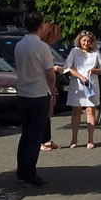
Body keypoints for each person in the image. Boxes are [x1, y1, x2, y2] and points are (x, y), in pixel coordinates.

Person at [14, 12, 57, 188]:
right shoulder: (42, 47)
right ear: (41, 26)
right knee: (36, 137)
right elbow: (50, 74)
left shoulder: (19, 45)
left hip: (23, 94)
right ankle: (29, 174)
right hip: (39, 94)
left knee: (26, 135)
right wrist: (52, 92)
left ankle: (21, 172)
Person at [65, 31, 101, 149]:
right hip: (77, 84)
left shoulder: (96, 53)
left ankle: (90, 139)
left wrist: (94, 71)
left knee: (90, 111)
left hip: (91, 84)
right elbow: (68, 67)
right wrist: (80, 76)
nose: (86, 43)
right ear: (79, 41)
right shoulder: (74, 51)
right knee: (76, 112)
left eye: (88, 41)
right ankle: (74, 139)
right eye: (84, 41)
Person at [39, 22, 61, 152]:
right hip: (45, 85)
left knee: (49, 113)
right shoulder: (43, 47)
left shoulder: (46, 47)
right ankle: (42, 141)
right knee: (44, 113)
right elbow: (43, 68)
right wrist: (54, 69)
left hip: (48, 84)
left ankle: (46, 138)